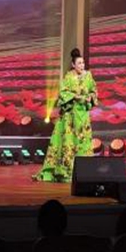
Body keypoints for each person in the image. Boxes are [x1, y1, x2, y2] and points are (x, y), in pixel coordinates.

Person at [34, 48, 98, 182]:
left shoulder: (88, 76)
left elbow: (94, 92)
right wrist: (76, 97)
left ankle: (85, 171)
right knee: (68, 142)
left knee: (83, 142)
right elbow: (63, 94)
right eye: (79, 63)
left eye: (83, 63)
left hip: (83, 116)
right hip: (70, 116)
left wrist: (89, 97)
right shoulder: (68, 77)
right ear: (73, 65)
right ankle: (66, 171)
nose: (82, 66)